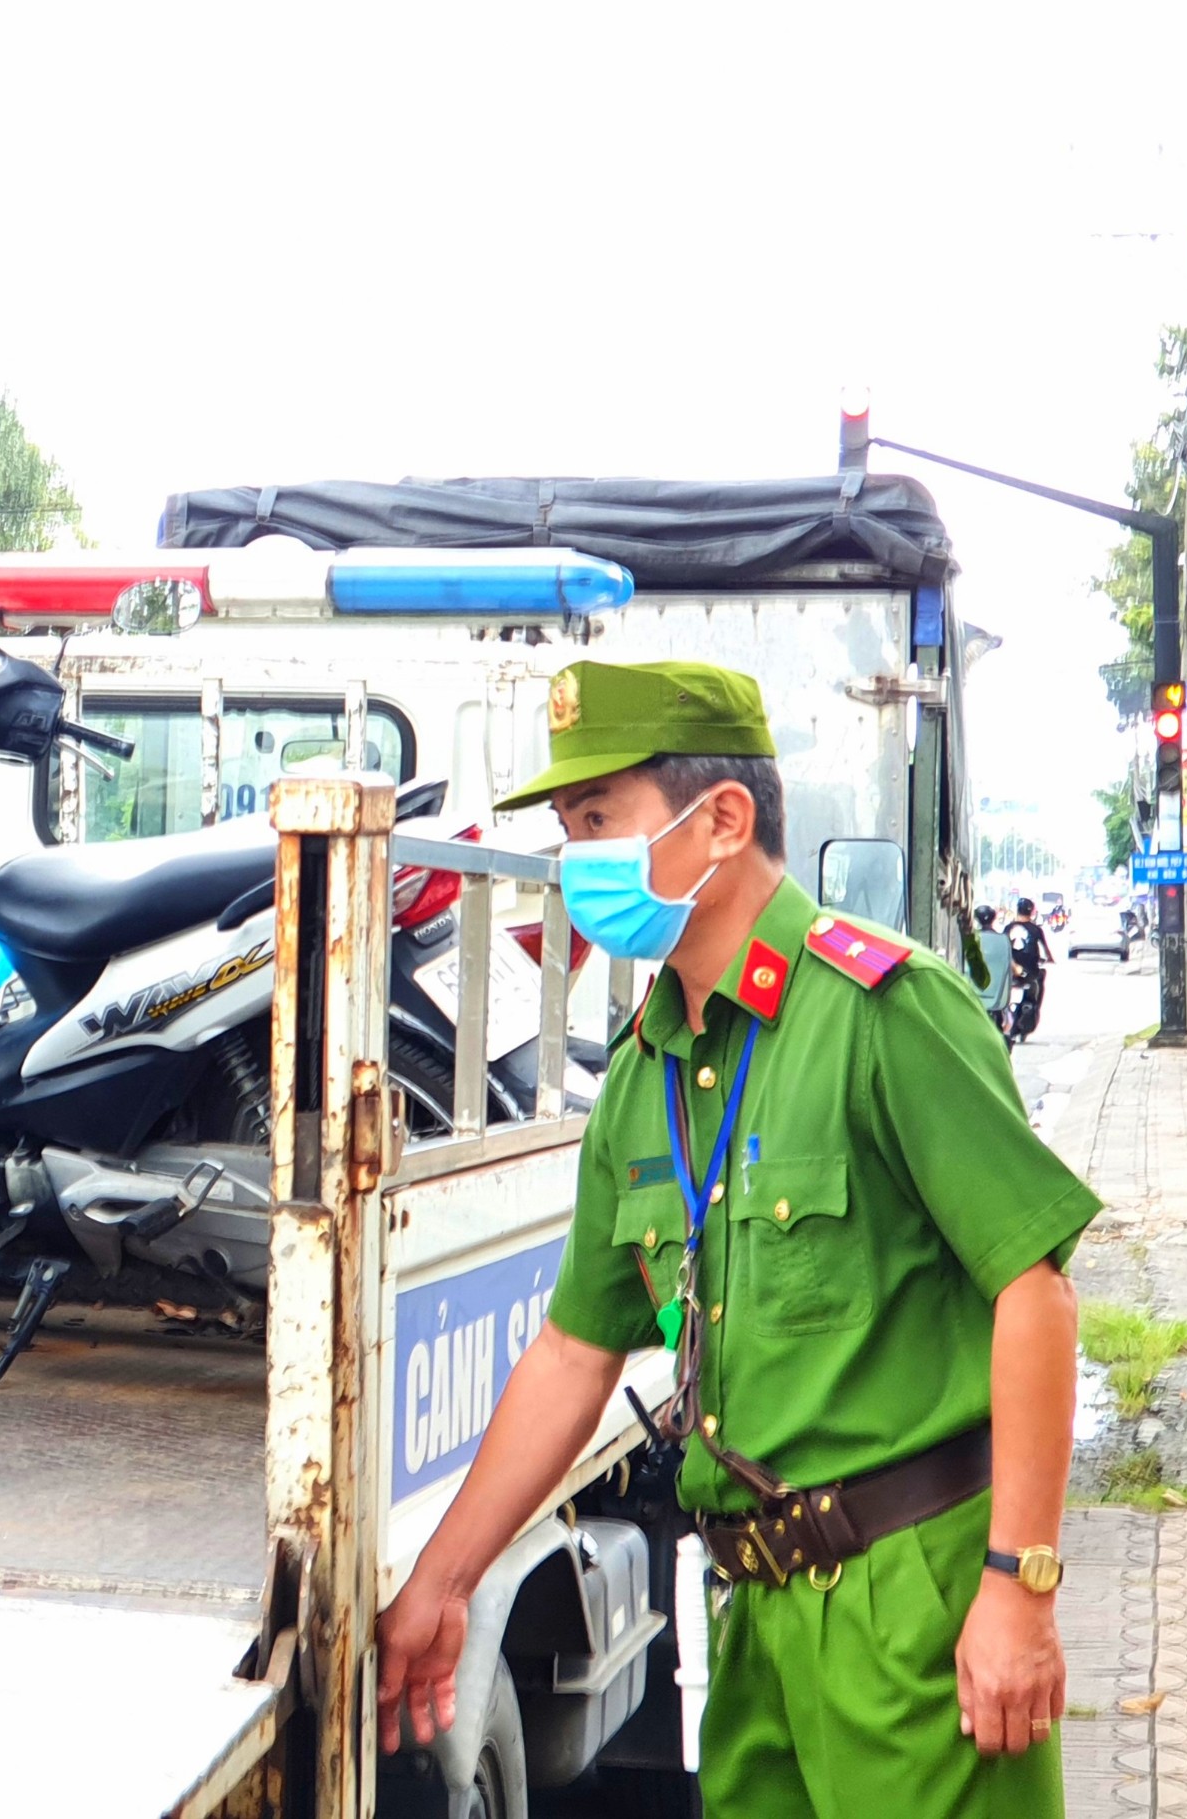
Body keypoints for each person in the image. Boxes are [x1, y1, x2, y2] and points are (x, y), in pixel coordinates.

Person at [375, 661, 1099, 1817]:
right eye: (567, 829)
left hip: (908, 1603)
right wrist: (441, 1583)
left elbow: (1034, 1289)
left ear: (722, 819)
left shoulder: (882, 1012)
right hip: (751, 1616)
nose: (577, 862)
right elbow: (574, 1351)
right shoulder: (640, 1075)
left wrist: (1020, 1585)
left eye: (598, 820)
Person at [1003, 897, 1052, 1043]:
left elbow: (1002, 948)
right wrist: (1049, 959)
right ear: (1032, 912)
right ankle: (1032, 1010)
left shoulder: (1008, 928)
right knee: (1039, 984)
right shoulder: (1036, 930)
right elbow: (1045, 952)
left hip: (1010, 973)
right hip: (1030, 974)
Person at [973, 905, 1014, 1046]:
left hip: (974, 992)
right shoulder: (1001, 941)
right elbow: (1010, 965)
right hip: (995, 995)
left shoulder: (971, 939)